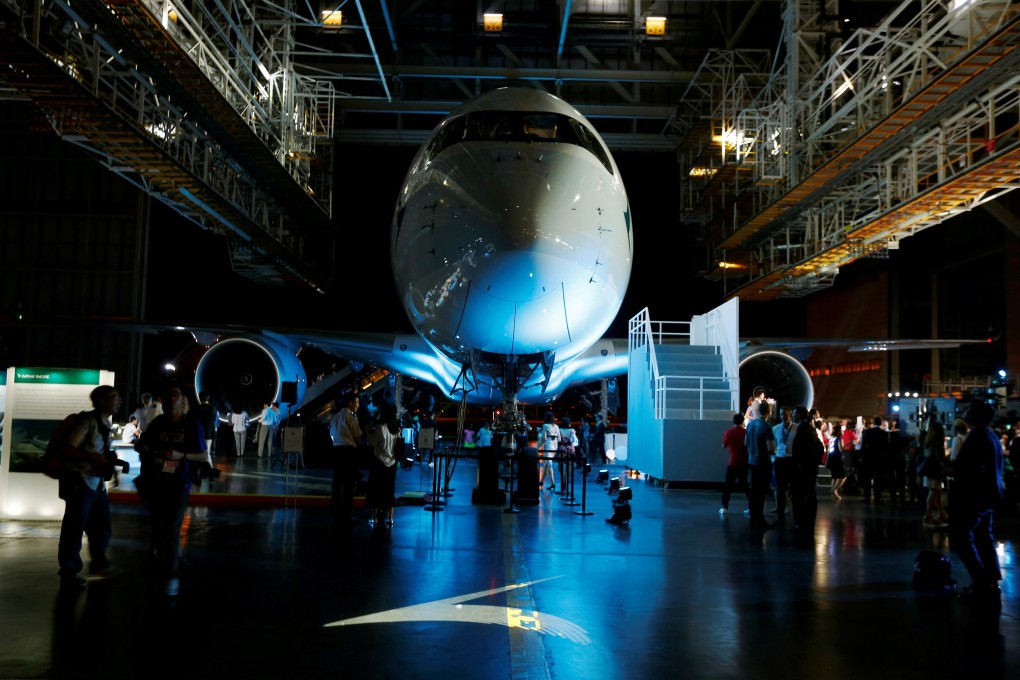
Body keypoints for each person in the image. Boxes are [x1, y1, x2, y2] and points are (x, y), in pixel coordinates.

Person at [134, 384, 209, 597]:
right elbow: (141, 445)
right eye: (168, 394)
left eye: (176, 394)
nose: (171, 398)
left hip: (179, 483)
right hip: (157, 482)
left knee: (171, 528)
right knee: (159, 527)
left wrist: (181, 456)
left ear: (182, 401)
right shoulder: (158, 423)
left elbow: (202, 455)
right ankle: (168, 561)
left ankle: (171, 575)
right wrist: (152, 454)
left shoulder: (192, 424)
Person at [56, 385, 123, 588]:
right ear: (102, 401)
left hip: (96, 484)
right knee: (74, 528)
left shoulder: (103, 423)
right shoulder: (87, 421)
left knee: (101, 526)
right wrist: (90, 457)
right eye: (114, 397)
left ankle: (99, 564)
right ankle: (69, 572)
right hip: (80, 481)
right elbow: (67, 448)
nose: (118, 401)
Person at [949, 399, 1005, 600]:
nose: (964, 411)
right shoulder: (991, 436)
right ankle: (990, 580)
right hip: (988, 495)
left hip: (974, 496)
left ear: (974, 415)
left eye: (967, 409)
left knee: (961, 537)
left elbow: (970, 470)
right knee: (983, 536)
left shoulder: (977, 436)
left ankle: (981, 583)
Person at [329, 393, 363, 527]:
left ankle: (336, 514)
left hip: (337, 450)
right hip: (349, 452)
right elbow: (356, 436)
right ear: (350, 403)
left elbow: (331, 435)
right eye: (357, 402)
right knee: (349, 485)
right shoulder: (351, 417)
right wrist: (359, 449)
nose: (358, 405)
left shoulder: (335, 417)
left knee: (337, 484)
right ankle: (347, 515)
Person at [790, 406, 824, 531]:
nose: (792, 415)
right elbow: (820, 447)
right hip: (811, 468)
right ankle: (810, 521)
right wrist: (815, 462)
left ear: (798, 415)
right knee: (810, 494)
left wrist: (798, 463)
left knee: (798, 495)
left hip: (801, 468)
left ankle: (800, 521)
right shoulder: (812, 429)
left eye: (794, 413)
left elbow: (799, 449)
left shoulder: (800, 429)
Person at [744, 400, 775, 529]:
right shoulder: (767, 427)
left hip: (752, 461)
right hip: (763, 463)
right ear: (769, 412)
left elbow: (746, 443)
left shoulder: (750, 425)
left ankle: (753, 514)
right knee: (762, 491)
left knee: (753, 489)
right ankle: (760, 518)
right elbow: (771, 448)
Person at [367, 403, 399, 527]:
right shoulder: (397, 429)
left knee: (375, 491)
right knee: (389, 490)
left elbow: (373, 442)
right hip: (392, 464)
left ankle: (375, 518)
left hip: (379, 463)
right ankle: (390, 518)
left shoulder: (381, 428)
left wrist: (368, 432)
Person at [919, 420, 948, 527]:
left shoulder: (928, 441)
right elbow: (940, 458)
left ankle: (941, 514)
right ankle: (928, 516)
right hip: (935, 470)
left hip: (928, 469)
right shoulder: (937, 443)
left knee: (936, 492)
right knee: (934, 492)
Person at [719, 413, 749, 515]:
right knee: (744, 485)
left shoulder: (729, 432)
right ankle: (753, 506)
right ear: (742, 421)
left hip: (733, 462)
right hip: (744, 463)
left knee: (728, 485)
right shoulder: (746, 432)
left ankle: (724, 507)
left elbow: (724, 445)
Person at [771, 407, 795, 521]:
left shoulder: (796, 428)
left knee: (793, 487)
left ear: (790, 414)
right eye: (781, 414)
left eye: (785, 414)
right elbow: (775, 444)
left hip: (792, 459)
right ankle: (780, 512)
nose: (783, 416)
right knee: (780, 488)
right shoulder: (775, 428)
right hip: (780, 459)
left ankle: (795, 513)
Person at [859, 416, 889, 502]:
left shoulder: (867, 432)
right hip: (879, 458)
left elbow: (863, 445)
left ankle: (867, 497)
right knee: (878, 478)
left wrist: (861, 456)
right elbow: (886, 447)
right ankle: (877, 497)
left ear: (874, 422)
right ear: (881, 423)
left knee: (867, 478)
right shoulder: (884, 434)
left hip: (868, 458)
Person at [537, 411, 560, 492]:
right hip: (555, 447)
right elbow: (559, 439)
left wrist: (540, 434)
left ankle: (553, 483)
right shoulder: (556, 426)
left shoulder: (545, 425)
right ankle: (541, 482)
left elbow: (544, 438)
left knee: (549, 464)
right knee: (547, 464)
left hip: (548, 446)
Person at [826, 422, 847, 500]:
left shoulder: (831, 438)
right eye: (842, 430)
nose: (843, 432)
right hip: (837, 459)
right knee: (843, 476)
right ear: (839, 431)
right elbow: (841, 449)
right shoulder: (839, 439)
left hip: (831, 458)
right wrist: (847, 445)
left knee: (834, 477)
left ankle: (834, 493)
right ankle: (834, 490)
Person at [194, 391, 217, 460]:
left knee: (198, 452)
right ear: (208, 398)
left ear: (200, 398)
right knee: (207, 452)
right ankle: (209, 468)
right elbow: (213, 419)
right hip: (208, 433)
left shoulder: (196, 408)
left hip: (198, 433)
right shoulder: (213, 408)